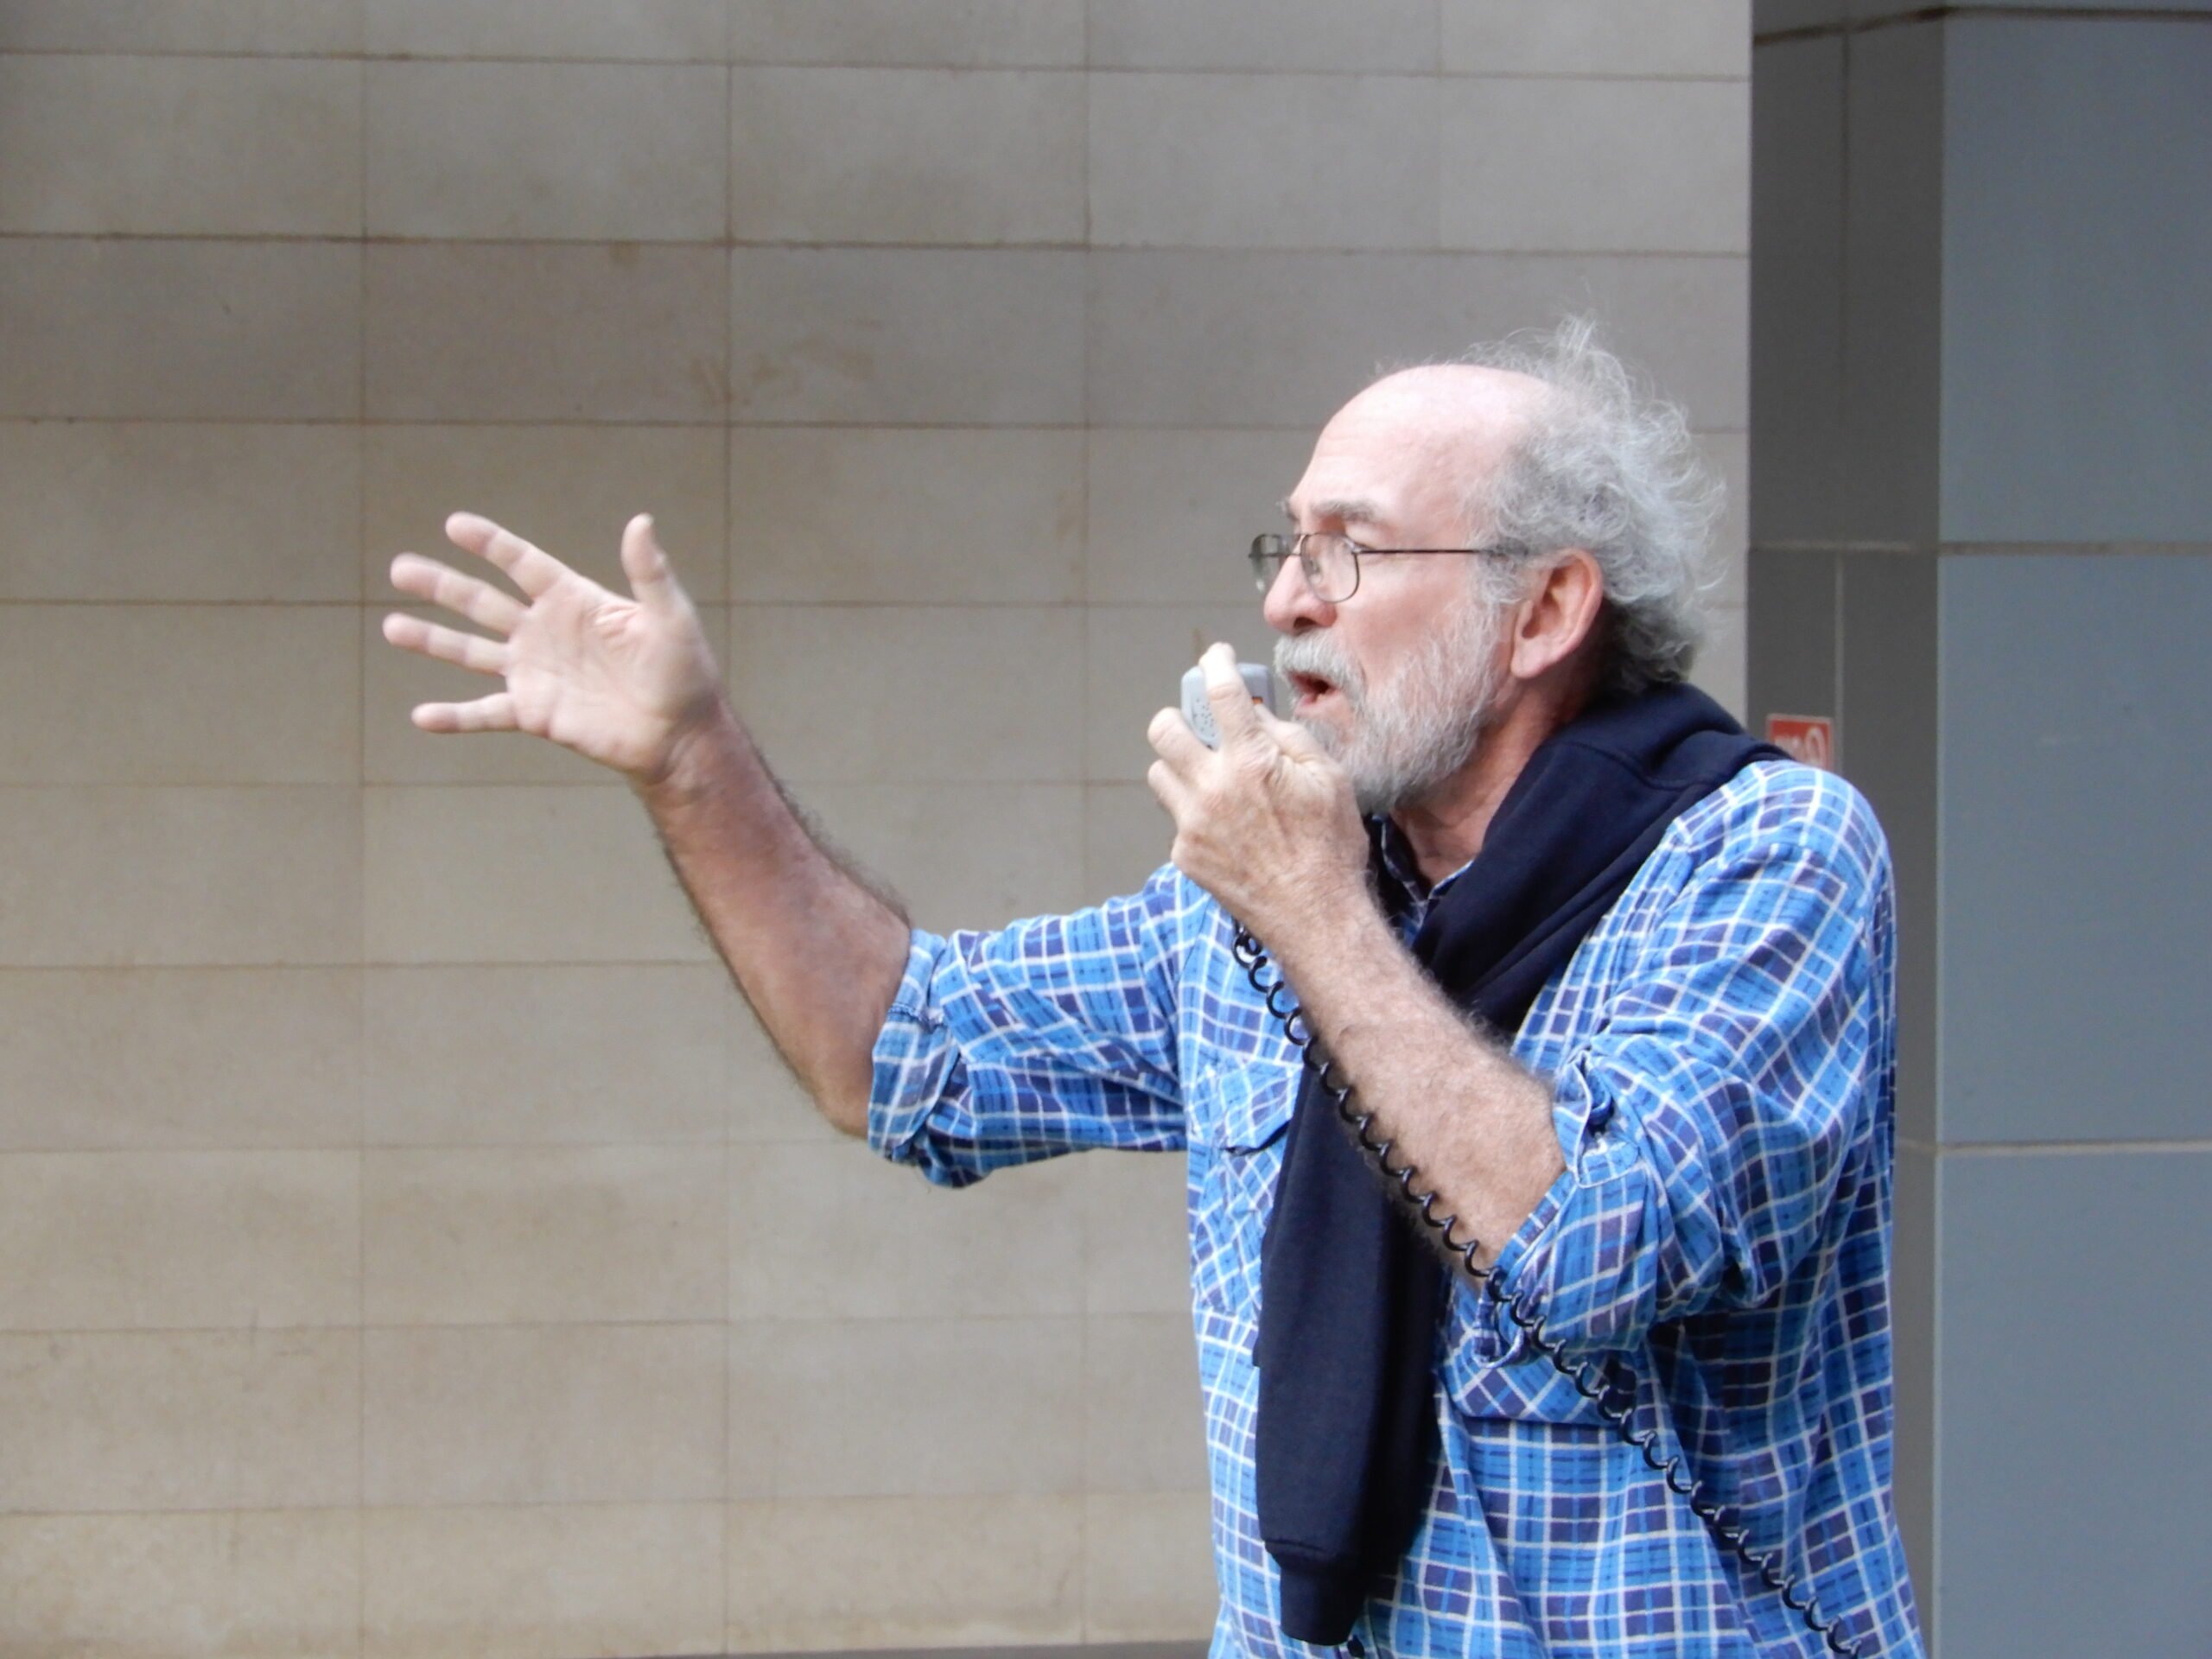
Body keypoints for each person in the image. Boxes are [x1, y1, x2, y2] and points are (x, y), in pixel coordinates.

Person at [384, 321, 1924, 1659]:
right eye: (1287, 547)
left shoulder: (1765, 854)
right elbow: (902, 1052)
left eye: (1351, 549)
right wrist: (693, 762)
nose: (1287, 604)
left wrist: (1317, 918)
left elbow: (1594, 1242)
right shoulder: (1285, 887)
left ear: (1543, 611)